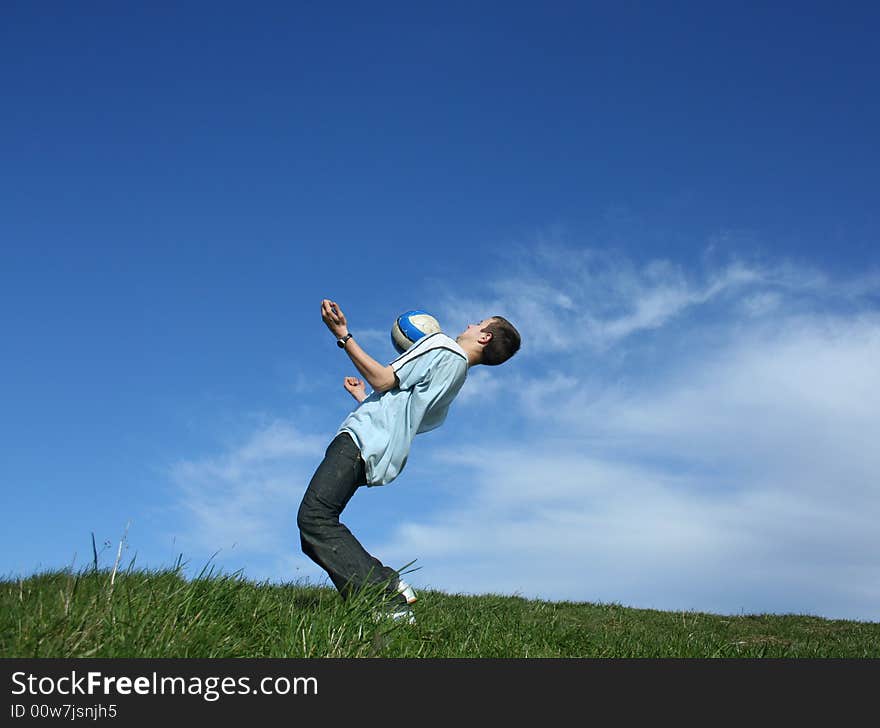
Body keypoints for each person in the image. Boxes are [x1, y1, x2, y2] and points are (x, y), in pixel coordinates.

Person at [297, 299, 521, 621]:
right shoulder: (456, 376)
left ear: (484, 337)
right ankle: (384, 588)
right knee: (316, 529)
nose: (469, 326)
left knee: (314, 519)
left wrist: (343, 335)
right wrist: (364, 399)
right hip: (381, 452)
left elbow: (383, 379)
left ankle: (384, 599)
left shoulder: (441, 346)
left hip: (360, 441)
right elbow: (408, 414)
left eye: (477, 324)